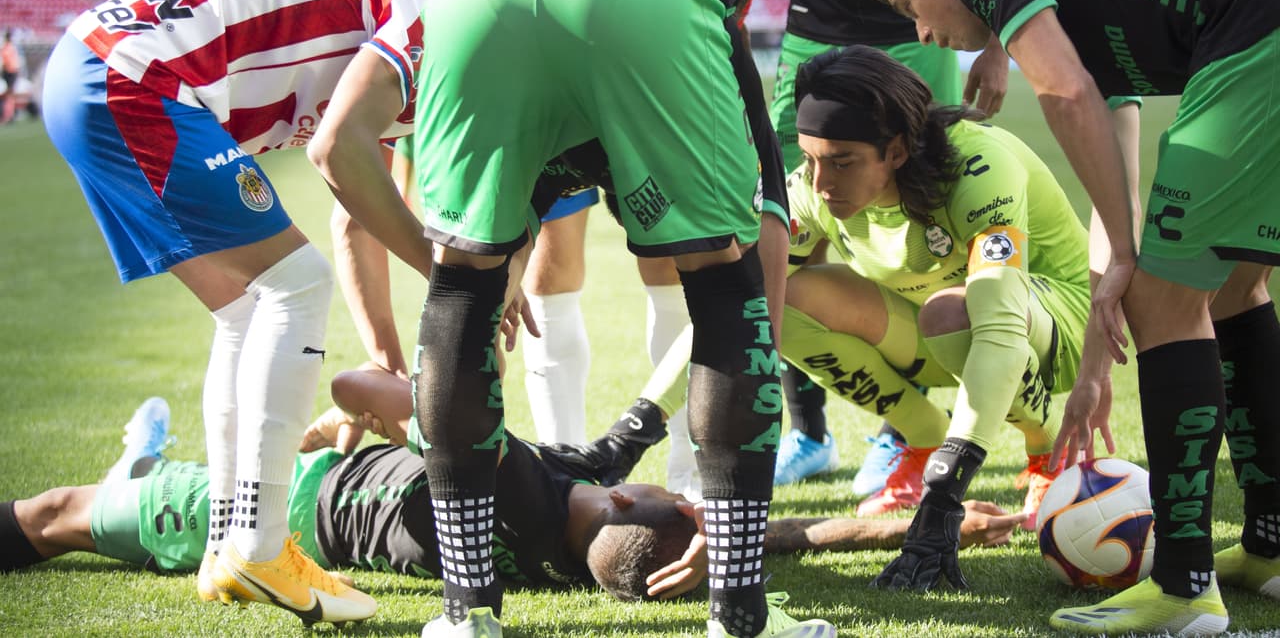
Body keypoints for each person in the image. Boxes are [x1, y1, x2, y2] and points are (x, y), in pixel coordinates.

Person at [392, 0, 828, 638]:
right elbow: (759, 267)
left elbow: (481, 260)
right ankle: (741, 616)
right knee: (724, 285)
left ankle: (465, 616)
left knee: (459, 285)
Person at [864, 0, 1280, 633]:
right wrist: (1095, 352)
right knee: (1234, 291)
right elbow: (1109, 143)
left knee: (1165, 303)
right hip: (1262, 18)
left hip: (1257, 24)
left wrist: (1130, 260)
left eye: (907, 9)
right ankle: (1273, 542)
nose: (920, 36)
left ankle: (1185, 585)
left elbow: (1061, 93)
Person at [41, 0, 434, 625]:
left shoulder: (409, 28)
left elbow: (358, 200)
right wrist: (453, 280)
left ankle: (229, 541)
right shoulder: (434, 8)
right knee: (298, 282)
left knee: (248, 308)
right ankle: (259, 544)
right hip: (130, 78)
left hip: (96, 69)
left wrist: (393, 354)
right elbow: (337, 157)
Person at [0, 396, 1025, 601]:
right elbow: (803, 527)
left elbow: (376, 388)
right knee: (105, 496)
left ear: (626, 504)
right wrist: (936, 517)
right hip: (313, 485)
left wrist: (362, 414)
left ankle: (143, 467)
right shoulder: (558, 557)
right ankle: (145, 458)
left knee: (55, 516)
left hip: (272, 503)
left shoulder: (527, 484)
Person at [742, 0, 1015, 492]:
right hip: (812, 29)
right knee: (781, 222)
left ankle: (904, 431)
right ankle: (805, 431)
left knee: (923, 220)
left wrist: (999, 40)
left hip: (920, 33)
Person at [778, 46, 1087, 592]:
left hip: (1049, 323)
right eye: (810, 158)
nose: (820, 182)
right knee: (779, 297)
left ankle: (1047, 451)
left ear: (895, 152)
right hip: (939, 329)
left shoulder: (978, 165)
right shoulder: (813, 186)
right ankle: (921, 441)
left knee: (957, 309)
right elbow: (737, 308)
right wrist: (638, 429)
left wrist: (946, 492)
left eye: (842, 161)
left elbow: (997, 322)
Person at [518, 0, 775, 505]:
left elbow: (744, 111)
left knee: (688, 259)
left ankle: (692, 481)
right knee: (548, 266)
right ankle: (565, 469)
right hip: (561, 45)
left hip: (639, 52)